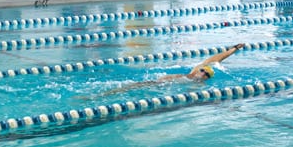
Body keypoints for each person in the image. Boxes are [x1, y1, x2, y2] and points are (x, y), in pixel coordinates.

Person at [103, 43, 245, 95]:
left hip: (166, 87)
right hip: (162, 82)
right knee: (134, 86)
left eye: (206, 74)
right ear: (199, 70)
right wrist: (234, 49)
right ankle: (111, 92)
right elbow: (216, 58)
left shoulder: (199, 85)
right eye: (203, 71)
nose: (203, 73)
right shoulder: (192, 74)